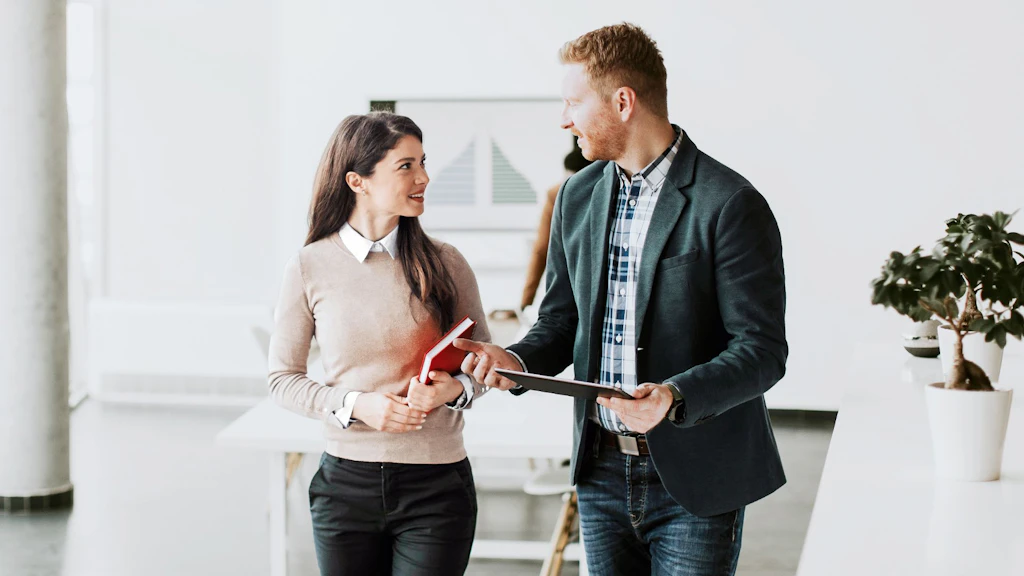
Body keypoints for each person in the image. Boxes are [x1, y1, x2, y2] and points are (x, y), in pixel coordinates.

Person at [455, 23, 787, 575]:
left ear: (623, 102)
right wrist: (513, 360)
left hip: (695, 478)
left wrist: (672, 396)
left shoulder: (729, 203)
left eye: (573, 103)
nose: (564, 119)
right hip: (600, 472)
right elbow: (560, 322)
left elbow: (762, 350)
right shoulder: (577, 196)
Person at [268, 112, 490, 576]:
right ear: (358, 181)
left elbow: (485, 363)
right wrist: (356, 404)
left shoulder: (447, 263)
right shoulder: (308, 267)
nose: (423, 177)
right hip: (345, 487)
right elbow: (283, 380)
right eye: (406, 166)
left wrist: (454, 389)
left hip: (437, 486)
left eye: (423, 163)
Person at [520, 137, 593, 311]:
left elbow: (541, 249)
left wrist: (525, 301)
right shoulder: (559, 194)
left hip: (569, 292)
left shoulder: (558, 192)